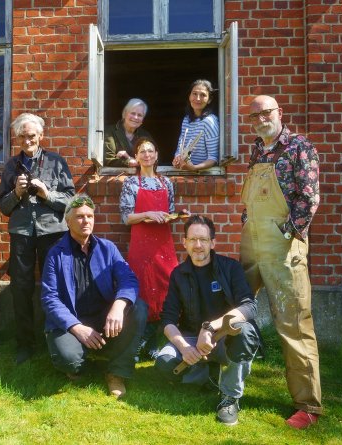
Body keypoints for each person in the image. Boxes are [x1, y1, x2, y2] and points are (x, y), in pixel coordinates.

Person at [240, 95, 322, 429]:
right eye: (254, 115)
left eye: (266, 113)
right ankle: (225, 385)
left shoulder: (300, 147)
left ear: (280, 114)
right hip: (252, 244)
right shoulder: (257, 150)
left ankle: (308, 406)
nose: (260, 119)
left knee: (294, 325)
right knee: (234, 308)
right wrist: (248, 220)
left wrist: (285, 231)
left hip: (283, 248)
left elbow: (309, 197)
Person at [156, 215, 259, 426]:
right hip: (191, 338)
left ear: (213, 242)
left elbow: (250, 306)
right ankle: (209, 375)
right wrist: (184, 347)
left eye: (203, 240)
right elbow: (167, 319)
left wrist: (210, 327)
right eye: (192, 240)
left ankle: (230, 397)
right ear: (184, 242)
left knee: (245, 333)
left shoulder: (230, 268)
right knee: (164, 364)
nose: (198, 245)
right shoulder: (178, 274)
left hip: (224, 336)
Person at [41, 194, 147, 398]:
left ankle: (116, 372)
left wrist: (118, 305)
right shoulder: (56, 254)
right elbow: (49, 298)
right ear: (68, 221)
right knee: (69, 360)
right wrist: (77, 328)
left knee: (139, 308)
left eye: (90, 216)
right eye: (80, 216)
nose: (86, 221)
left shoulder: (107, 249)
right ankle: (79, 363)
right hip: (72, 322)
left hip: (104, 318)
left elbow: (129, 279)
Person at [0, 113, 75, 364]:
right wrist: (17, 192)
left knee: (55, 286)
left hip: (52, 232)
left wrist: (47, 194)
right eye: (23, 136)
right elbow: (4, 207)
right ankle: (25, 344)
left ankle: (58, 338)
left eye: (32, 135)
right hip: (21, 233)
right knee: (21, 289)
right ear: (17, 138)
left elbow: (71, 201)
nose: (27, 140)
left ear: (41, 136)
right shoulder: (11, 165)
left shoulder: (56, 162)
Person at [119, 138, 185, 359]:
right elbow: (126, 217)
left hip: (164, 244)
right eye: (141, 151)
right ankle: (138, 341)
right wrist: (147, 215)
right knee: (143, 290)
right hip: (141, 244)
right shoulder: (131, 183)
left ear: (157, 155)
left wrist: (178, 215)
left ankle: (156, 342)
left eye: (150, 150)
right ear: (136, 157)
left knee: (167, 289)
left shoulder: (167, 183)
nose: (146, 155)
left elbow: (170, 212)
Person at [172, 79, 219, 172]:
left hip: (202, 176)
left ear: (209, 100)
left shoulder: (209, 121)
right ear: (189, 96)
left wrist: (194, 168)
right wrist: (177, 158)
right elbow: (180, 148)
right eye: (194, 94)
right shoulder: (186, 120)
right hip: (186, 173)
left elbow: (213, 158)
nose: (198, 98)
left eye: (203, 95)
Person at [103, 98, 153, 167]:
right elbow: (107, 160)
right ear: (125, 113)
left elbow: (154, 159)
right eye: (133, 113)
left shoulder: (145, 135)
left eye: (139, 115)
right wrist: (129, 162)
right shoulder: (109, 132)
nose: (135, 117)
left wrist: (129, 158)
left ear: (142, 120)